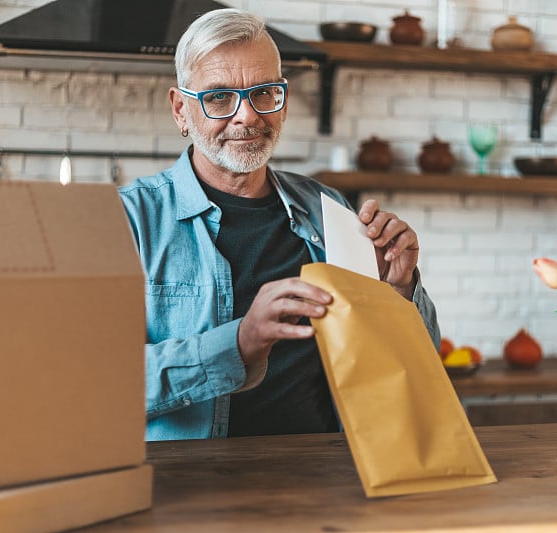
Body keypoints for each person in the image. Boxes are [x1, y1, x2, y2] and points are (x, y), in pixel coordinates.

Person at [119, 8, 441, 441]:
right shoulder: (130, 220)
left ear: (282, 99)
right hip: (188, 491)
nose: (248, 116)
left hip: (326, 477)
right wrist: (237, 345)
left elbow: (407, 369)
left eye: (264, 93)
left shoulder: (327, 209)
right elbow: (96, 381)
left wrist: (398, 294)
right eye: (219, 97)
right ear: (181, 110)